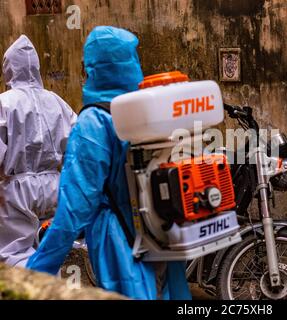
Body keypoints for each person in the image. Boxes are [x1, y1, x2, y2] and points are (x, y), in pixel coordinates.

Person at [27, 26, 192, 300]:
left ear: (93, 68)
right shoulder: (148, 110)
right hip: (162, 232)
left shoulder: (93, 123)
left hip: (120, 240)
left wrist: (36, 272)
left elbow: (75, 209)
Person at [0, 35, 77, 268]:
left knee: (13, 253)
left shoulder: (5, 104)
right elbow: (76, 143)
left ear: (9, 68)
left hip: (16, 190)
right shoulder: (57, 102)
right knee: (47, 251)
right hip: (54, 187)